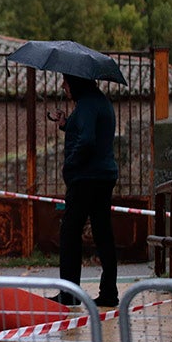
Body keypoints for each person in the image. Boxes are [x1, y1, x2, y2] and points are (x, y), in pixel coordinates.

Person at [48, 74, 119, 308]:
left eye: (66, 82)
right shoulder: (99, 102)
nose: (63, 86)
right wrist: (66, 124)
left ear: (77, 82)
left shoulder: (87, 105)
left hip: (86, 178)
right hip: (103, 176)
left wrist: (70, 163)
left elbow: (87, 140)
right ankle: (109, 292)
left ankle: (69, 293)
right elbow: (89, 132)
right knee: (103, 233)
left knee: (70, 233)